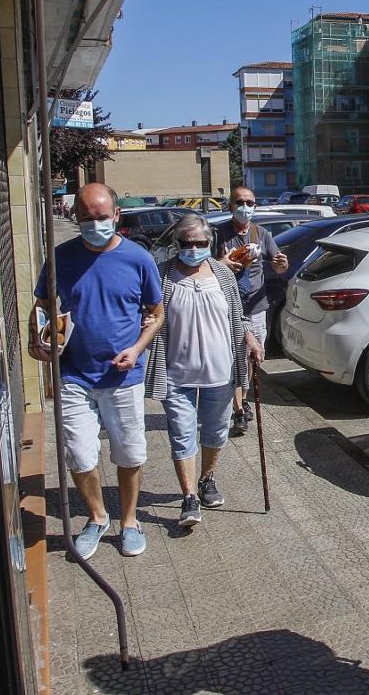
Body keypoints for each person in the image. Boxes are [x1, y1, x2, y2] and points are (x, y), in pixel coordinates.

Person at [30, 183, 164, 559]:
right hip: (73, 374)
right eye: (86, 218)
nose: (94, 224)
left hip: (122, 377)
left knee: (129, 452)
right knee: (79, 454)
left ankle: (130, 521)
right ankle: (96, 516)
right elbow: (42, 305)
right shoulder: (60, 258)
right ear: (76, 217)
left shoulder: (139, 259)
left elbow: (156, 314)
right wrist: (36, 338)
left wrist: (137, 349)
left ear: (116, 216)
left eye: (102, 217)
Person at [144, 214, 262, 526]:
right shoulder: (162, 276)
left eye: (200, 243)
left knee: (215, 431)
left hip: (220, 373)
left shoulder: (223, 274)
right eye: (187, 243)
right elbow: (147, 313)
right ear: (176, 244)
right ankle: (189, 497)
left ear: (209, 243)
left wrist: (250, 338)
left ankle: (207, 479)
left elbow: (239, 315)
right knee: (182, 436)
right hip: (176, 374)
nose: (194, 248)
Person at [213, 185, 288, 436]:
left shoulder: (261, 233)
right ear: (230, 206)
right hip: (227, 307)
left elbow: (278, 267)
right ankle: (238, 408)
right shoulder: (218, 234)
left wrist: (281, 264)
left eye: (249, 203)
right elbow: (202, 268)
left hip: (256, 306)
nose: (244, 207)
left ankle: (243, 397)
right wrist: (221, 264)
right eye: (239, 202)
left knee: (252, 358)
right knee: (235, 358)